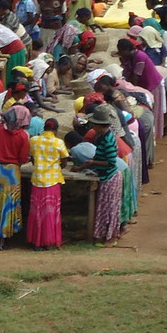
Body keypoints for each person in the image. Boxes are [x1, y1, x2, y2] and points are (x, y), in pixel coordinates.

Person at [0, 106, 30, 251]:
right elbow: (22, 158)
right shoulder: (23, 135)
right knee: (10, 204)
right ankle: (5, 239)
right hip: (13, 172)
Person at [75, 103, 123, 246]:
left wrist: (92, 163)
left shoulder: (108, 140)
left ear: (100, 125)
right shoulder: (101, 137)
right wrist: (82, 167)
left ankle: (110, 237)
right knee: (102, 207)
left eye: (94, 124)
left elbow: (110, 162)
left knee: (109, 209)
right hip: (104, 175)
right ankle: (102, 234)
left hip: (111, 177)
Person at [27, 117, 69, 250]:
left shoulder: (34, 141)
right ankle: (49, 241)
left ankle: (36, 241)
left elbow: (33, 159)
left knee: (36, 211)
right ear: (55, 130)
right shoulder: (58, 143)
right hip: (52, 181)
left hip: (37, 180)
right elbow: (64, 161)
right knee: (51, 213)